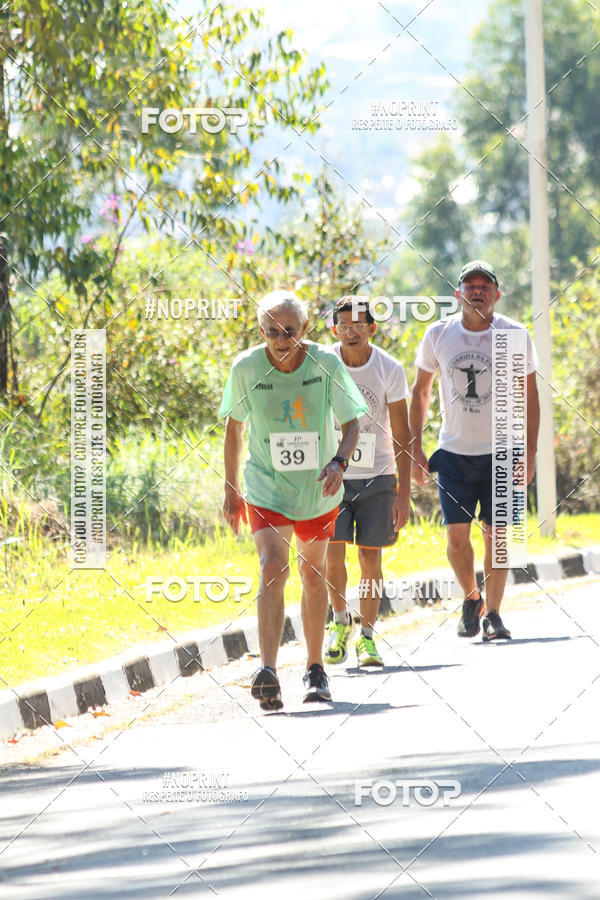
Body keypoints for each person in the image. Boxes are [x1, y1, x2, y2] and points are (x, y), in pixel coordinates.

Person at [219, 290, 368, 709]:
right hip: (267, 485)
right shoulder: (247, 368)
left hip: (317, 486)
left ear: (305, 329)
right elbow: (234, 428)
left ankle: (315, 666)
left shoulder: (326, 363)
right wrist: (231, 489)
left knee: (313, 573)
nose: (281, 340)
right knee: (271, 567)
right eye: (271, 332)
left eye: (289, 331)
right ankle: (267, 670)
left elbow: (352, 423)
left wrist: (339, 462)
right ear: (261, 332)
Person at [409, 260, 540, 640]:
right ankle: (471, 596)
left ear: (497, 295)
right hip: (454, 453)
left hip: (504, 452)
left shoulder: (515, 335)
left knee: (497, 537)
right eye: (470, 284)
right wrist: (415, 447)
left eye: (486, 285)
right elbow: (420, 393)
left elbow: (529, 395)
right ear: (458, 294)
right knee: (456, 538)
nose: (478, 290)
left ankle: (494, 615)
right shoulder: (438, 334)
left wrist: (528, 454)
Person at [324, 297, 411, 667]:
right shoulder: (322, 363)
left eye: (358, 325)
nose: (350, 332)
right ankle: (340, 621)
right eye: (343, 326)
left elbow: (403, 435)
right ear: (334, 331)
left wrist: (403, 492)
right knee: (333, 551)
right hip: (332, 474)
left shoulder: (389, 368)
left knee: (369, 557)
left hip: (377, 476)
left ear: (372, 329)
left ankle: (369, 637)